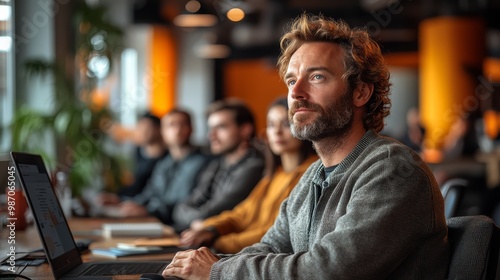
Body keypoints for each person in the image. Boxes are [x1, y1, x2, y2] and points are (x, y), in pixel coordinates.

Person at [163, 14, 449, 279]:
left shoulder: (393, 170)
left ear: (360, 92)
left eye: (317, 77)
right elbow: (270, 247)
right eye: (291, 80)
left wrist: (219, 272)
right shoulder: (311, 176)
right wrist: (203, 267)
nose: (296, 93)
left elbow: (329, 270)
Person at [180, 97, 317, 253]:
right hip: (245, 252)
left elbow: (275, 232)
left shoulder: (311, 173)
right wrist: (210, 229)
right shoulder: (275, 174)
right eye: (271, 125)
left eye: (286, 124)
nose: (277, 131)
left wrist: (218, 242)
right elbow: (241, 215)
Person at [98, 108, 211, 224]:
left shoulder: (205, 163)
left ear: (192, 128)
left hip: (179, 226)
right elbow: (150, 193)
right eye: (171, 125)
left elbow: (188, 202)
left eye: (183, 124)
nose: (177, 130)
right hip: (156, 222)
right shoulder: (164, 163)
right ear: (162, 131)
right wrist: (121, 202)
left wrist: (149, 210)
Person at [171, 99, 265, 232]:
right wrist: (197, 222)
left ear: (245, 130)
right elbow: (181, 208)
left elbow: (213, 213)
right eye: (211, 128)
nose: (211, 135)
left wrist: (199, 222)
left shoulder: (254, 166)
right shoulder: (217, 164)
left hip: (231, 247)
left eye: (221, 127)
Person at [98, 112, 167, 204]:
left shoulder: (167, 158)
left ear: (159, 129)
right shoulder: (137, 151)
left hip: (146, 204)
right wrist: (117, 197)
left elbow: (154, 192)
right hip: (129, 200)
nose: (143, 132)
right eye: (140, 128)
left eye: (147, 128)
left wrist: (123, 201)